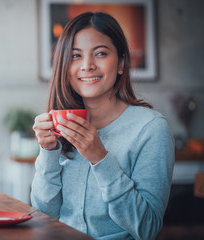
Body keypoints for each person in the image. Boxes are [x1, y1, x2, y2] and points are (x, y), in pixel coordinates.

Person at [31, 12, 174, 240]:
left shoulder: (151, 128)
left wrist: (100, 158)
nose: (87, 66)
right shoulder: (60, 125)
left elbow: (147, 229)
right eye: (75, 56)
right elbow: (44, 213)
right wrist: (48, 151)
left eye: (100, 53)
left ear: (121, 63)